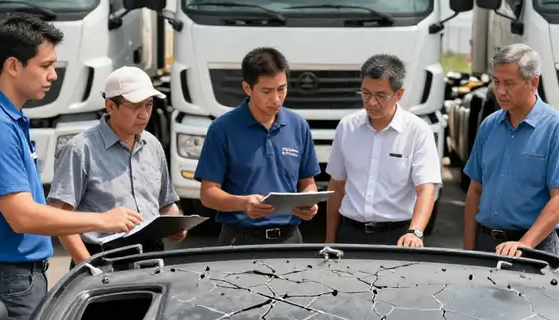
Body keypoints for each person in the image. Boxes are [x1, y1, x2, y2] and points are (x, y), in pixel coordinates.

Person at [0, 14, 144, 320]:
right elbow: (22, 216)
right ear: (12, 65)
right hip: (4, 283)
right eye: (46, 66)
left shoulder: (5, 117)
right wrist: (102, 220)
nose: (53, 75)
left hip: (10, 279)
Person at [47, 66, 189, 267]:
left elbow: (166, 203)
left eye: (148, 105)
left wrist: (176, 223)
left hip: (152, 258)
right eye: (134, 106)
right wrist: (87, 267)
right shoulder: (81, 149)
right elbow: (60, 216)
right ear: (110, 106)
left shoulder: (152, 145)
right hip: (102, 258)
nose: (143, 114)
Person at [463, 43, 559, 257]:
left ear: (533, 82)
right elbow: (475, 191)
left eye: (509, 83)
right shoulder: (489, 126)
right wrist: (468, 251)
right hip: (486, 244)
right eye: (496, 82)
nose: (500, 91)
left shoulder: (558, 129)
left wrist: (523, 244)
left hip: (534, 248)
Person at [194, 47, 321, 244]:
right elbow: (208, 194)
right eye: (267, 91)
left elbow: (308, 182)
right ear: (247, 88)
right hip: (240, 240)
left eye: (282, 88)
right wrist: (243, 203)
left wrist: (309, 201)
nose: (276, 99)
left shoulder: (298, 126)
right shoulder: (222, 129)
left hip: (290, 239)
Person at [325, 54, 442, 246]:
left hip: (396, 236)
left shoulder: (417, 131)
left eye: (380, 95)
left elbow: (426, 190)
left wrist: (415, 232)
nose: (371, 102)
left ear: (399, 94)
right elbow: (336, 186)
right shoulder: (347, 127)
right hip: (350, 234)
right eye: (365, 93)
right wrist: (329, 240)